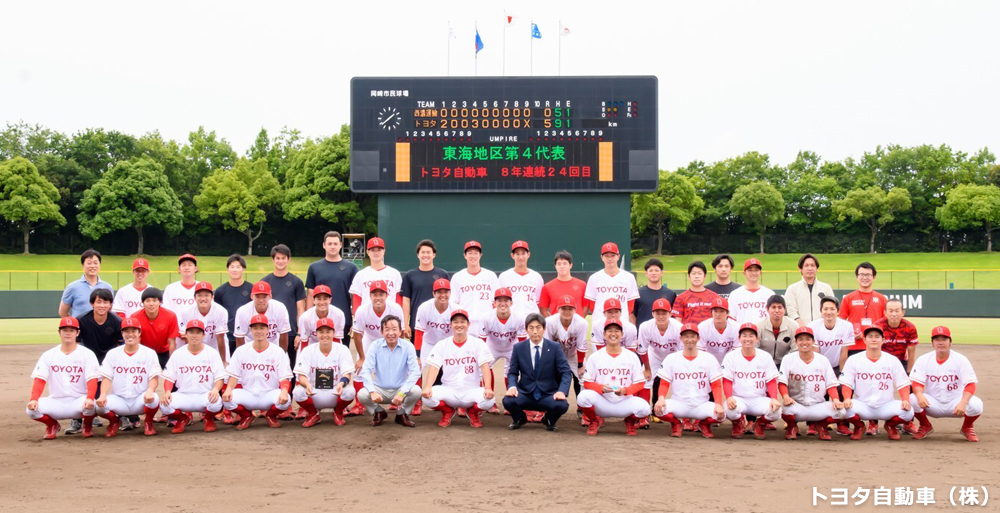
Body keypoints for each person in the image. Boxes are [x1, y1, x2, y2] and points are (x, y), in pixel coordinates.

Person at [25, 317, 99, 440]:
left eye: (72, 330)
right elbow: (40, 379)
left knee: (93, 405)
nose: (68, 333)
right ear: (59, 332)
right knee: (30, 410)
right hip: (56, 401)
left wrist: (90, 398)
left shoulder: (87, 354)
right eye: (65, 330)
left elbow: (92, 378)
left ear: (77, 333)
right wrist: (33, 399)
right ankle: (52, 424)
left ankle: (87, 425)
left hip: (79, 401)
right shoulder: (48, 355)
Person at [421, 310, 496, 428]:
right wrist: (428, 387)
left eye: (462, 322)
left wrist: (487, 388)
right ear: (450, 325)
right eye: (455, 322)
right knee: (427, 398)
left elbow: (485, 366)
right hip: (449, 390)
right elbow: (434, 367)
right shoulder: (442, 344)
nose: (459, 325)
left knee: (489, 401)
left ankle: (472, 412)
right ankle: (447, 411)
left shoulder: (477, 343)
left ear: (468, 324)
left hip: (471, 390)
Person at [839, 262, 889, 436]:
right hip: (854, 347)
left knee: (873, 385)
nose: (865, 277)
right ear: (857, 276)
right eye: (861, 274)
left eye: (868, 274)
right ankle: (845, 421)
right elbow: (841, 322)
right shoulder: (849, 298)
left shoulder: (881, 299)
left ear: (874, 277)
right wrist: (852, 334)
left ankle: (873, 423)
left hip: (874, 348)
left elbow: (886, 325)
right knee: (850, 385)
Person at [839, 324, 914, 440]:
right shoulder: (854, 359)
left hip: (886, 405)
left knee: (909, 412)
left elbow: (903, 383)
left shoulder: (892, 360)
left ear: (883, 340)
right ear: (864, 339)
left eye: (877, 336)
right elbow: (846, 383)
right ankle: (859, 426)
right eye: (870, 336)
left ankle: (890, 425)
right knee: (843, 410)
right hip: (863, 405)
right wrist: (847, 398)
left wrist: (905, 400)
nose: (873, 339)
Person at [577, 319, 651, 436]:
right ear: (604, 334)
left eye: (617, 331)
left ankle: (629, 421)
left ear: (622, 335)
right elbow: (587, 383)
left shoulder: (631, 356)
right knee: (582, 397)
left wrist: (625, 391)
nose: (613, 334)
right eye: (609, 330)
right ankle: (594, 421)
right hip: (602, 402)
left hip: (624, 402)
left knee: (645, 408)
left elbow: (639, 384)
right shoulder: (595, 356)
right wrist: (601, 388)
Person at [909, 326, 983, 442]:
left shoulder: (960, 359)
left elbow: (971, 384)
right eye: (937, 339)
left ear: (950, 342)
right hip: (932, 403)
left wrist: (963, 402)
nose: (941, 342)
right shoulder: (924, 360)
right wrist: (919, 395)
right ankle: (925, 425)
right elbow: (916, 382)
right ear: (932, 343)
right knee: (912, 398)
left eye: (944, 339)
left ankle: (967, 427)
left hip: (956, 403)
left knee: (976, 404)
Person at [653, 322, 726, 438]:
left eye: (692, 336)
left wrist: (718, 404)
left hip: (701, 404)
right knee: (658, 410)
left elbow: (716, 385)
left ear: (698, 338)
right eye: (686, 336)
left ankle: (704, 424)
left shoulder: (709, 358)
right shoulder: (672, 358)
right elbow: (664, 383)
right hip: (679, 403)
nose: (689, 339)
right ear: (681, 338)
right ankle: (676, 423)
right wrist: (661, 398)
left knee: (722, 415)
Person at [778, 327, 851, 440]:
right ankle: (792, 427)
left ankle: (822, 426)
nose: (804, 342)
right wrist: (786, 396)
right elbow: (782, 381)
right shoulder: (788, 359)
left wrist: (836, 399)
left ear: (813, 341)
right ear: (796, 342)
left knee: (841, 412)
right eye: (801, 339)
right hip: (797, 405)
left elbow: (831, 384)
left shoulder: (823, 360)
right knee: (783, 410)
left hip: (818, 405)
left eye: (808, 339)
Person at [222, 314, 294, 430]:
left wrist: (284, 391)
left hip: (269, 394)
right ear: (251, 330)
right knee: (227, 401)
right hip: (248, 394)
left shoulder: (277, 351)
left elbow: (284, 377)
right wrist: (229, 389)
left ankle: (271, 416)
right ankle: (246, 416)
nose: (258, 331)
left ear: (268, 329)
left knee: (286, 401)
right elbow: (234, 375)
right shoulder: (241, 351)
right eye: (255, 328)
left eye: (262, 328)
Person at [504, 314, 573, 431]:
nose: (535, 331)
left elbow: (566, 372)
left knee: (562, 405)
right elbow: (512, 372)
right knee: (508, 401)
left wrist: (561, 391)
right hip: (526, 393)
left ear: (544, 329)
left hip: (548, 394)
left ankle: (549, 419)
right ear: (526, 330)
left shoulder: (555, 347)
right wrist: (512, 386)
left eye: (538, 327)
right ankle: (520, 419)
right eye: (531, 328)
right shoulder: (518, 348)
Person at [94, 317, 161, 437]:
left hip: (141, 399)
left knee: (155, 399)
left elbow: (154, 376)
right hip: (119, 399)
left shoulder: (149, 353)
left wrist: (150, 391)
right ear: (122, 333)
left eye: (133, 331)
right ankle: (114, 422)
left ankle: (148, 422)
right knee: (98, 406)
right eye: (126, 331)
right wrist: (103, 394)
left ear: (139, 333)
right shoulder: (113, 353)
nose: (130, 334)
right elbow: (106, 377)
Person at [159, 320, 226, 434]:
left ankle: (208, 419)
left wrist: (215, 390)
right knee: (164, 405)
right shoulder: (178, 353)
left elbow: (219, 378)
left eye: (198, 332)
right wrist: (167, 391)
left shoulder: (212, 353)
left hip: (205, 394)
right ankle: (182, 419)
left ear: (203, 335)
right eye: (191, 332)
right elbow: (169, 377)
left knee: (217, 403)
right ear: (186, 334)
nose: (194, 335)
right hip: (183, 394)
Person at [350, 281, 406, 416]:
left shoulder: (395, 308)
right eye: (375, 294)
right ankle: (359, 404)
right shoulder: (362, 310)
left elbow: (401, 332)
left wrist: (400, 351)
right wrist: (362, 357)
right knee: (359, 369)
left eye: (381, 294)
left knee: (399, 368)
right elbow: (357, 335)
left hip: (391, 339)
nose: (378, 297)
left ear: (387, 295)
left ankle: (398, 400)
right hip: (369, 339)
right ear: (370, 296)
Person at [71, 288, 122, 434]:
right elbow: (77, 344)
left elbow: (121, 345)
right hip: (87, 359)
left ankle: (125, 415)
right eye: (98, 302)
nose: (102, 305)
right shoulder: (81, 320)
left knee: (110, 389)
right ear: (92, 303)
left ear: (110, 304)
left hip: (109, 360)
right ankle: (77, 419)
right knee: (81, 387)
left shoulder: (117, 321)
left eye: (106, 302)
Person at [357, 315, 422, 427]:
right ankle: (379, 412)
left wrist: (402, 392)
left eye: (394, 329)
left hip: (400, 389)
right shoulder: (375, 346)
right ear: (381, 332)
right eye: (387, 329)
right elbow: (366, 370)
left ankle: (402, 414)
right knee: (362, 394)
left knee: (416, 391)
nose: (391, 333)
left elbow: (415, 372)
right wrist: (372, 391)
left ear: (400, 331)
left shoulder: (408, 346)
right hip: (380, 390)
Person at [722, 323, 782, 439]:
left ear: (757, 338)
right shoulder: (731, 356)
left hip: (758, 399)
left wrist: (774, 398)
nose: (747, 339)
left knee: (776, 412)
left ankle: (760, 424)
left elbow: (771, 381)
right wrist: (729, 397)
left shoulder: (765, 356)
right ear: (739, 338)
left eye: (751, 336)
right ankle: (738, 423)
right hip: (738, 398)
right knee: (729, 410)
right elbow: (727, 380)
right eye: (744, 335)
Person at [293, 317, 356, 428]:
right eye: (321, 331)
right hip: (314, 392)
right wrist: (307, 384)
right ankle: (313, 414)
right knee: (297, 392)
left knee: (350, 391)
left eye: (328, 331)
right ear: (316, 333)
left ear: (333, 333)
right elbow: (301, 375)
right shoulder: (308, 350)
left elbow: (347, 374)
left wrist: (341, 384)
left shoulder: (342, 349)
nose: (324, 335)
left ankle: (338, 412)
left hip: (335, 391)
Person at [305, 231, 359, 344]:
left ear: (340, 245)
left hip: (343, 320)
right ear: (324, 245)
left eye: (335, 244)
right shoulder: (314, 267)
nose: (332, 247)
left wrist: (355, 321)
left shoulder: (351, 268)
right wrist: (307, 318)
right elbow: (310, 295)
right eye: (329, 244)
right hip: (318, 320)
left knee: (340, 357)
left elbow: (355, 297)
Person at [478, 287, 527, 408]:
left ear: (511, 303)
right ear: (494, 303)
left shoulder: (519, 318)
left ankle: (512, 401)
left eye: (506, 300)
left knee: (512, 370)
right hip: (492, 347)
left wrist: (523, 358)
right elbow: (481, 341)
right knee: (482, 368)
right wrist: (481, 358)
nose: (503, 303)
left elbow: (522, 341)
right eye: (499, 300)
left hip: (512, 347)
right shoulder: (486, 317)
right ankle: (490, 401)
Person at [261, 244, 306, 367]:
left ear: (288, 259)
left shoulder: (296, 282)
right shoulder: (264, 282)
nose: (280, 261)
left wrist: (299, 333)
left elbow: (300, 309)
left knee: (289, 369)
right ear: (273, 259)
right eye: (278, 258)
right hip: (269, 334)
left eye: (283, 258)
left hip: (290, 333)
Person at [637, 298, 683, 415]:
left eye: (664, 313)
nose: (661, 316)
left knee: (681, 382)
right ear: (653, 314)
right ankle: (644, 414)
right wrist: (647, 369)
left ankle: (681, 414)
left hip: (674, 356)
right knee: (644, 380)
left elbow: (682, 351)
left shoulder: (678, 327)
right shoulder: (645, 326)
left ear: (670, 313)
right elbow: (642, 350)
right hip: (654, 355)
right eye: (658, 313)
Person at [543, 295, 589, 405]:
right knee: (547, 376)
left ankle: (582, 407)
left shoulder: (581, 323)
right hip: (555, 355)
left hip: (574, 355)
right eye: (564, 308)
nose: (567, 311)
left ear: (575, 309)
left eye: (570, 308)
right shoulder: (549, 322)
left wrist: (580, 365)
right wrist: (549, 364)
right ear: (558, 309)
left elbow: (581, 346)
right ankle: (549, 404)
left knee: (583, 379)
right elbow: (547, 345)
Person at [401, 239, 449, 340]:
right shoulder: (410, 275)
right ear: (418, 255)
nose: (425, 255)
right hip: (418, 325)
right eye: (423, 252)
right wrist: (405, 324)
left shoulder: (442, 274)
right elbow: (406, 300)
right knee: (419, 355)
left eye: (428, 252)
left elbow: (449, 298)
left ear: (434, 255)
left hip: (440, 325)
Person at [584, 242, 639, 329]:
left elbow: (630, 303)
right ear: (602, 257)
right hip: (600, 323)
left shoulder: (629, 277)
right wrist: (601, 317)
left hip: (622, 322)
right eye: (607, 256)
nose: (610, 259)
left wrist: (621, 316)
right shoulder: (594, 278)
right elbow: (591, 304)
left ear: (618, 256)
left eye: (612, 255)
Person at [450, 240, 499, 335]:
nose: (473, 256)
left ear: (480, 255)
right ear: (465, 255)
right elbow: (453, 303)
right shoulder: (457, 277)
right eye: (470, 253)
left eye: (476, 253)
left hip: (487, 323)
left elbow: (496, 301)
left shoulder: (490, 276)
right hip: (466, 324)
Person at [348, 237, 403, 317]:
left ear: (384, 251)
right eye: (373, 250)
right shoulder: (360, 275)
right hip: (367, 319)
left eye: (379, 250)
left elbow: (398, 299)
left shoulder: (395, 274)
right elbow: (356, 300)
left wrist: (398, 319)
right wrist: (357, 318)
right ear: (368, 252)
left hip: (390, 319)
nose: (376, 253)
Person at [177, 281, 229, 365]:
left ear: (212, 297)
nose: (203, 298)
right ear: (194, 297)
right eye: (199, 295)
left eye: (206, 295)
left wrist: (222, 360)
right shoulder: (186, 312)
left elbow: (220, 337)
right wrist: (190, 355)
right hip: (195, 347)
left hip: (216, 347)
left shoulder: (221, 311)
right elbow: (186, 337)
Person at [214, 254, 254, 355]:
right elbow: (217, 314)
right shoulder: (220, 291)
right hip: (228, 336)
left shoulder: (251, 289)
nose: (235, 270)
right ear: (227, 269)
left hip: (247, 336)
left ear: (243, 269)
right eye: (232, 267)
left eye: (238, 267)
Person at [130, 287, 179, 369]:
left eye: (154, 300)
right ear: (143, 303)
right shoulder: (135, 317)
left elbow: (172, 343)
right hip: (144, 353)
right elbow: (137, 341)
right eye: (148, 300)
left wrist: (172, 363)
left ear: (160, 302)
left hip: (164, 352)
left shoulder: (170, 316)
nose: (151, 304)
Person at [233, 281, 291, 350]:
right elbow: (239, 337)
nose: (261, 300)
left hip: (273, 349)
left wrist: (282, 355)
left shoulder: (279, 308)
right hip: (250, 349)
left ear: (270, 296)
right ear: (252, 296)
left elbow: (284, 334)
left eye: (264, 297)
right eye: (257, 296)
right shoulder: (243, 311)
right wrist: (242, 356)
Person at [498, 240, 544, 323]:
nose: (520, 257)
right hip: (511, 321)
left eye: (523, 253)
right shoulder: (504, 276)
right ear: (512, 255)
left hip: (531, 321)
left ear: (528, 255)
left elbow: (538, 302)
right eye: (517, 254)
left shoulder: (537, 277)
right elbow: (499, 301)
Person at [59, 249, 113, 318]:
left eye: (95, 263)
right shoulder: (72, 287)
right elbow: (63, 312)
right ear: (83, 265)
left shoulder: (107, 287)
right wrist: (75, 325)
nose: (93, 266)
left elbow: (110, 311)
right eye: (89, 263)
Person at [784, 253, 834, 327]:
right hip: (801, 332)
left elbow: (831, 309)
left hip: (822, 331)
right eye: (806, 265)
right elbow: (791, 311)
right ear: (800, 269)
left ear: (817, 268)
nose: (810, 268)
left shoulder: (826, 288)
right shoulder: (792, 289)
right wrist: (803, 327)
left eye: (813, 265)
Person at [808, 296, 855, 375]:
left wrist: (841, 373)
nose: (829, 312)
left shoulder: (847, 326)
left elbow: (844, 352)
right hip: (819, 367)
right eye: (825, 309)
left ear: (838, 312)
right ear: (821, 311)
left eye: (832, 309)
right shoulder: (812, 326)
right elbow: (815, 353)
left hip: (837, 366)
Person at [875, 298, 919, 373]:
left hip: (900, 361)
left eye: (897, 311)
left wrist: (909, 373)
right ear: (885, 313)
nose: (894, 314)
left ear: (903, 312)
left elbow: (911, 354)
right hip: (881, 361)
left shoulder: (910, 327)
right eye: (891, 311)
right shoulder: (877, 326)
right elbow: (873, 348)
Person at [538, 250, 587, 317]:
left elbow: (586, 307)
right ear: (555, 266)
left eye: (564, 263)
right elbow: (543, 309)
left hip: (576, 326)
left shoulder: (582, 285)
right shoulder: (547, 287)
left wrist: (578, 322)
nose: (562, 266)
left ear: (570, 265)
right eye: (559, 263)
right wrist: (553, 322)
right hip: (556, 327)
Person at [631, 258, 676, 326]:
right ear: (646, 273)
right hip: (643, 334)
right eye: (651, 271)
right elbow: (632, 315)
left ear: (661, 273)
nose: (653, 273)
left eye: (656, 270)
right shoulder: (637, 293)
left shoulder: (670, 294)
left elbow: (673, 316)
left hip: (664, 334)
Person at [755, 295, 798, 367]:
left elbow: (795, 350)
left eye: (780, 307)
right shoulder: (759, 325)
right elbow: (755, 348)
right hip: (763, 363)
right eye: (773, 307)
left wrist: (785, 363)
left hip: (786, 363)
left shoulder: (793, 326)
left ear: (785, 309)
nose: (777, 310)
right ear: (767, 309)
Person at [727, 258, 774, 324]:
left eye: (756, 270)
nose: (753, 273)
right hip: (742, 333)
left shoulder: (769, 294)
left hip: (763, 333)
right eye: (750, 270)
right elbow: (731, 319)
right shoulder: (735, 294)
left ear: (760, 273)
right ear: (744, 273)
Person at [697, 297, 739, 364]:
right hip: (708, 363)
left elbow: (737, 352)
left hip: (730, 363)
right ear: (711, 312)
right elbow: (700, 352)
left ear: (727, 313)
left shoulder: (736, 327)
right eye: (715, 311)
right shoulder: (702, 327)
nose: (718, 314)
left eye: (721, 311)